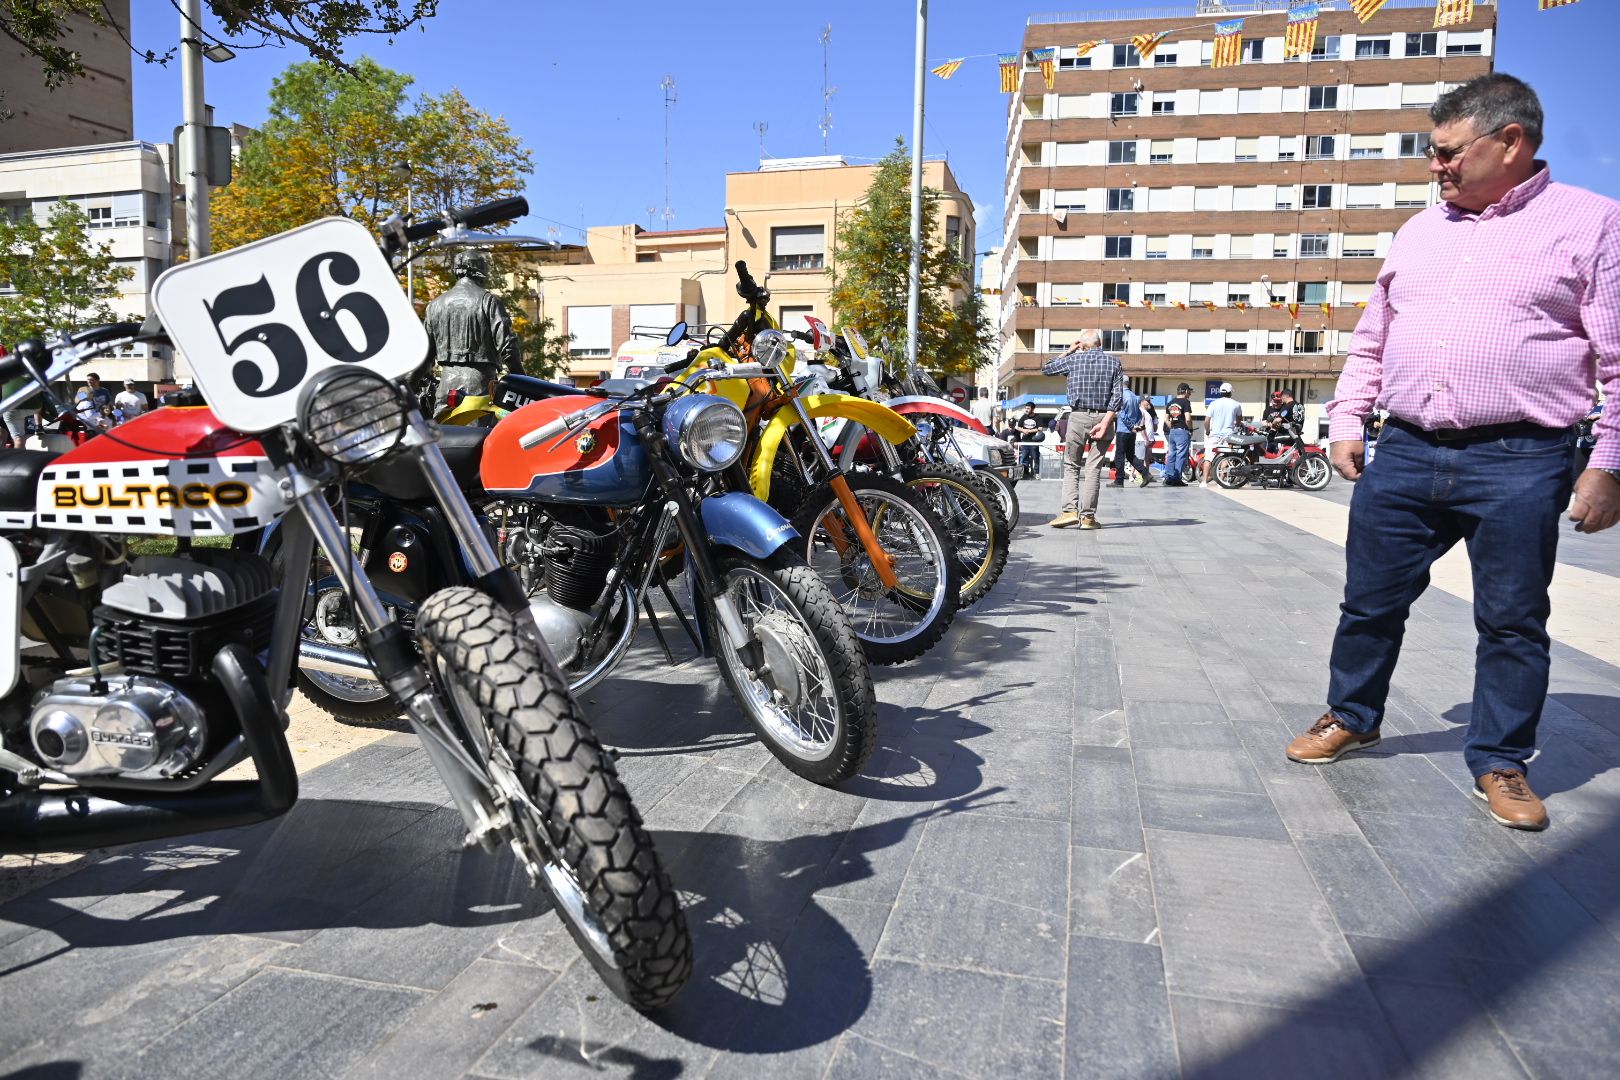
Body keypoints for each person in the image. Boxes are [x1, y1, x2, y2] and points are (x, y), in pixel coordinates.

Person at [1283, 74, 1620, 832]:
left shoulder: (1593, 224)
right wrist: (1347, 417)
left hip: (1521, 458)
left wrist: (1610, 463)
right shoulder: (1418, 231)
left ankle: (1500, 759)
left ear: (1510, 142)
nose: (1433, 166)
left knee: (1511, 620)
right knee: (1369, 602)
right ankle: (1353, 714)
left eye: (1446, 152)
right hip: (1404, 450)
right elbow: (1373, 337)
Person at [1042, 329, 1124, 530]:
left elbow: (1047, 368)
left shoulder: (1074, 360)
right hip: (1104, 417)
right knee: (1094, 468)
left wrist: (1069, 351)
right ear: (1100, 343)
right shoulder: (1114, 363)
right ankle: (1087, 518)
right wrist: (1105, 422)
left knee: (1071, 465)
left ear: (1083, 345)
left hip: (1078, 417)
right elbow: (1118, 396)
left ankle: (1069, 511)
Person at [423, 250, 519, 411]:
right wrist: (522, 380)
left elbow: (424, 356)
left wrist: (410, 388)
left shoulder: (435, 305)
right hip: (480, 384)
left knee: (444, 433)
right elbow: (508, 348)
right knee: (478, 435)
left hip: (446, 384)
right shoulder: (489, 301)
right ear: (481, 272)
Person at [1201, 383, 1243, 488]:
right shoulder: (1236, 404)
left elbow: (1206, 421)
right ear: (1230, 392)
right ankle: (1221, 482)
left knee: (1208, 458)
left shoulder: (1213, 404)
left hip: (1214, 435)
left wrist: (1207, 431)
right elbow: (1239, 420)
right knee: (1225, 458)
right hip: (1229, 436)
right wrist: (1237, 426)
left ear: (1220, 392)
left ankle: (1204, 482)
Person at [1110, 384, 1152, 487]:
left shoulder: (1121, 395)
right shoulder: (1134, 396)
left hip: (1123, 430)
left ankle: (1119, 481)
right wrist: (1135, 425)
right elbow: (1139, 413)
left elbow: (1121, 413)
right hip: (1131, 432)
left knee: (1119, 456)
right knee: (1130, 455)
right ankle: (1145, 473)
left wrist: (1130, 425)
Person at [1162, 384, 1195, 487]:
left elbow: (1166, 419)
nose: (1189, 393)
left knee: (1171, 454)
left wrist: (1171, 426)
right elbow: (1188, 418)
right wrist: (1190, 429)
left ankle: (1168, 478)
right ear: (1185, 391)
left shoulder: (1170, 403)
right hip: (1182, 431)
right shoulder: (1186, 402)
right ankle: (1177, 479)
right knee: (1181, 455)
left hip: (1173, 432)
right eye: (1189, 391)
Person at [1014, 403, 1045, 479]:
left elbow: (1040, 428)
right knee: (1024, 458)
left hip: (1034, 441)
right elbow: (1017, 427)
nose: (1026, 410)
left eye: (1028, 408)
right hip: (1025, 441)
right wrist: (1023, 430)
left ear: (1033, 409)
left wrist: (1030, 431)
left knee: (1035, 458)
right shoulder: (1024, 417)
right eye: (1026, 408)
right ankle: (1025, 473)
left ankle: (1037, 473)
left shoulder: (1038, 417)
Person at [1138, 396, 1159, 478]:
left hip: (1147, 440)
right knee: (1140, 460)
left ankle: (1145, 476)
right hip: (1142, 439)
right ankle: (1138, 478)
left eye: (1150, 401)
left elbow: (1153, 428)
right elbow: (1141, 426)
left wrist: (1151, 438)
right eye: (1147, 401)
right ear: (1142, 401)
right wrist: (1146, 439)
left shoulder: (1147, 412)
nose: (1149, 402)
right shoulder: (1141, 411)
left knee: (1146, 458)